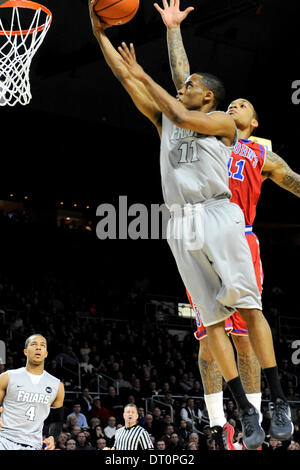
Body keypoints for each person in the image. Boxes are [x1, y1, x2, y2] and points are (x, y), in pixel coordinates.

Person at [88, 0, 293, 450]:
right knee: (212, 323)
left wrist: (145, 74)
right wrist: (96, 25)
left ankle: (277, 399)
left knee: (249, 309)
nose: (186, 84)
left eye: (194, 83)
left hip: (220, 215)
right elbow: (126, 77)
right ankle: (242, 408)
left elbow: (179, 109)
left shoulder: (221, 123)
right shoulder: (166, 117)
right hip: (180, 225)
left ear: (210, 97)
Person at [154, 0, 299, 448]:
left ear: (252, 122)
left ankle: (267, 407)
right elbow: (183, 82)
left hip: (238, 233)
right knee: (207, 332)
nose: (233, 103)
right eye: (229, 99)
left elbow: (294, 182)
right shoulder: (205, 128)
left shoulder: (259, 151)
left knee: (245, 330)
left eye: (242, 104)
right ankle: (229, 421)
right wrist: (174, 29)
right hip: (196, 228)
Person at [0, 334, 65, 450]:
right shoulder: (7, 377)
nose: (38, 348)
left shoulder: (57, 385)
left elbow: (57, 420)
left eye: (42, 345)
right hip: (4, 439)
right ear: (25, 351)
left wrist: (52, 437)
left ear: (46, 353)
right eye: (34, 344)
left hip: (33, 444)